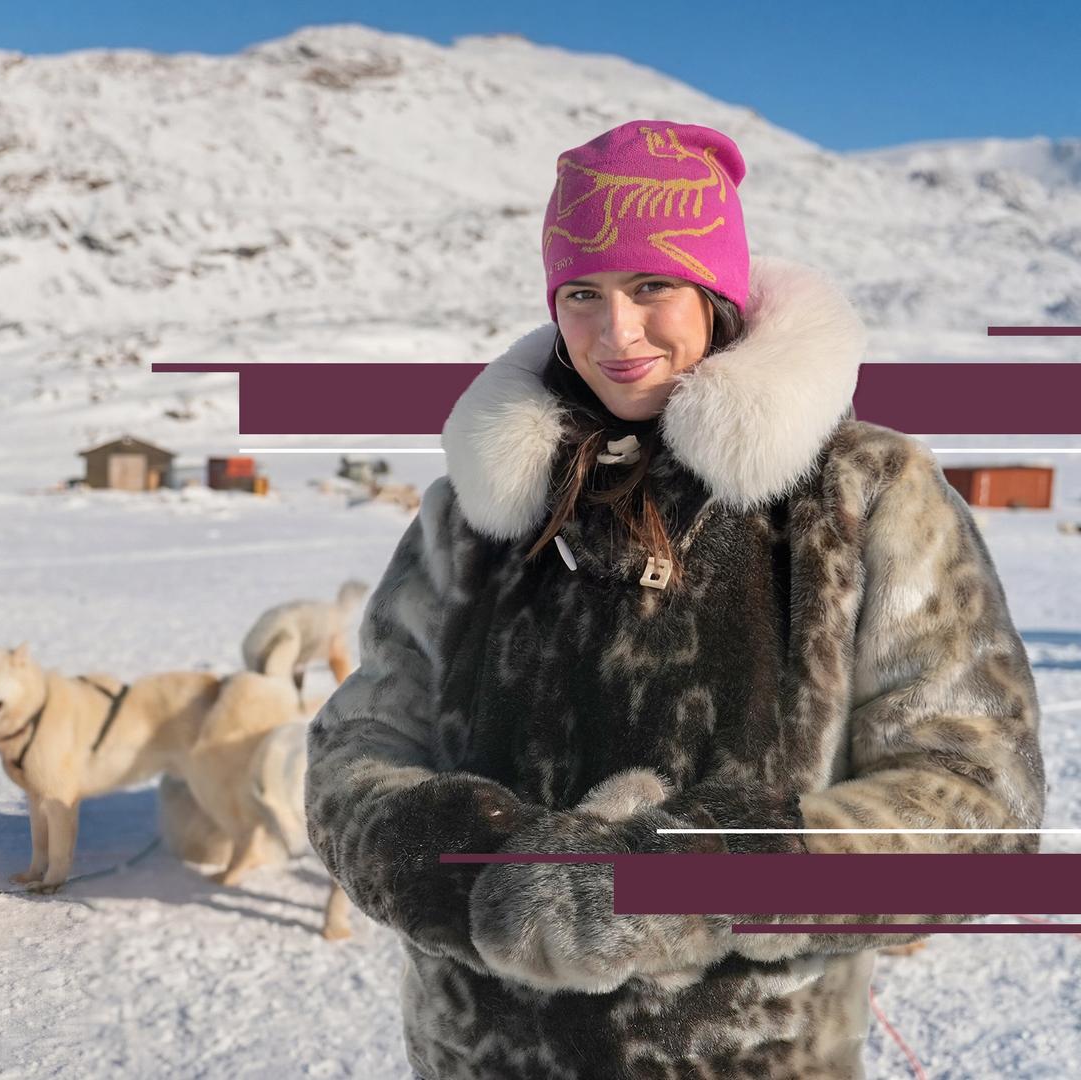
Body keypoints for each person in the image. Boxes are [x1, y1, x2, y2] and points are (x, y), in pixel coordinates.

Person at [304, 119, 1045, 1080]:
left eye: (651, 286)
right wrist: (481, 876)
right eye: (582, 294)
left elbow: (982, 796)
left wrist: (690, 876)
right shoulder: (476, 516)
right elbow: (354, 751)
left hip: (753, 1057)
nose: (617, 333)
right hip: (481, 1056)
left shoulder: (860, 498)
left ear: (716, 292)